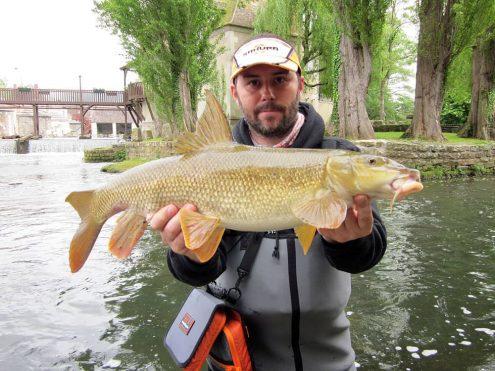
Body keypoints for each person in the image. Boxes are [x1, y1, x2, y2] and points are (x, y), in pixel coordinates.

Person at [150, 34, 387, 371]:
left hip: (330, 361)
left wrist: (351, 241)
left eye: (279, 79)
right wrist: (186, 252)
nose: (267, 93)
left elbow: (369, 252)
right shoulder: (209, 166)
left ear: (300, 84)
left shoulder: (341, 158)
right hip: (237, 359)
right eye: (252, 82)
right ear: (235, 91)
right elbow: (201, 268)